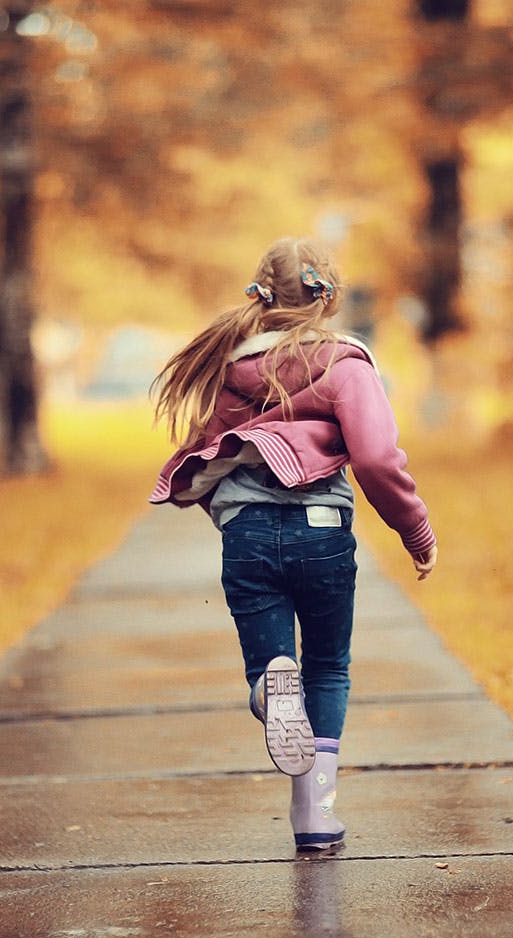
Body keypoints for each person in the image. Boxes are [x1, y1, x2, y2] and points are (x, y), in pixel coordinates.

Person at [149, 237, 437, 851]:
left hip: (247, 536)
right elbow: (378, 460)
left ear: (262, 294)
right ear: (325, 295)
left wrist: (231, 518)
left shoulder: (231, 370)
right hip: (322, 534)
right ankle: (314, 817)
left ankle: (265, 686)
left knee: (273, 663)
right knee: (328, 668)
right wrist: (415, 531)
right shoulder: (345, 364)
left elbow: (205, 456)